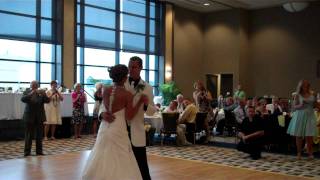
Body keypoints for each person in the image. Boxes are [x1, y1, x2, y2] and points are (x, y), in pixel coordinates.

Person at [82, 64, 146, 180]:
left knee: (103, 154)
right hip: (118, 127)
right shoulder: (127, 95)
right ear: (124, 77)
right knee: (121, 156)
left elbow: (105, 106)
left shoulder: (106, 89)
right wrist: (141, 101)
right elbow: (129, 116)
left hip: (105, 127)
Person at [100, 56, 156, 180]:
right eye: (129, 66)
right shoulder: (120, 82)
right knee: (118, 165)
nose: (131, 69)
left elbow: (152, 111)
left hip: (137, 131)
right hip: (119, 129)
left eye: (134, 67)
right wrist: (102, 114)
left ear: (141, 68)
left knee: (142, 168)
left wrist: (145, 104)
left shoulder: (147, 87)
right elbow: (106, 103)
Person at [287, 80, 318, 159]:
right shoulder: (297, 95)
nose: (305, 86)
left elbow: (315, 104)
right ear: (300, 86)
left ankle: (310, 152)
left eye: (307, 85)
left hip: (310, 115)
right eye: (303, 85)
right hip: (300, 115)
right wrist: (300, 105)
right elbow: (294, 107)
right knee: (299, 135)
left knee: (309, 135)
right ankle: (299, 152)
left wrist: (317, 105)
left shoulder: (313, 94)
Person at [21, 80, 50, 156]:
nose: (34, 86)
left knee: (39, 135)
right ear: (30, 85)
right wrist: (31, 93)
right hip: (29, 116)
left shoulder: (41, 92)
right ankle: (27, 152)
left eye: (36, 85)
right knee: (29, 135)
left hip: (39, 117)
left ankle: (39, 151)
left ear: (37, 86)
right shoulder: (27, 91)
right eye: (33, 85)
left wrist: (44, 94)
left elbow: (48, 101)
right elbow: (23, 99)